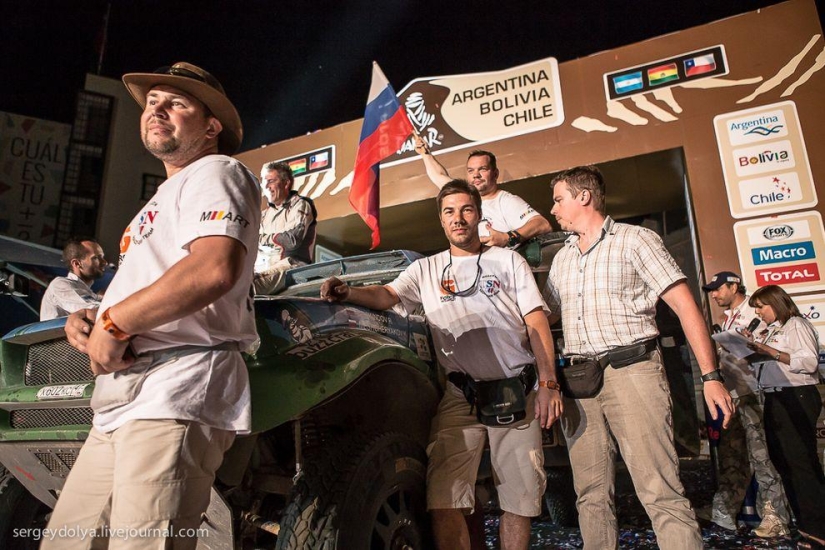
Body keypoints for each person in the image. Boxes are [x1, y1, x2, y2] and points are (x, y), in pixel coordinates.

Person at [47, 62, 261, 549]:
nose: (157, 110)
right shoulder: (157, 201)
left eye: (177, 103)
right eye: (152, 103)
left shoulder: (217, 170)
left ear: (211, 127)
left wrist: (117, 323)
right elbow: (158, 281)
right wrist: (97, 315)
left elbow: (212, 269)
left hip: (176, 388)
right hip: (124, 398)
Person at [320, 179, 563, 550]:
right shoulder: (427, 270)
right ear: (441, 220)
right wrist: (348, 291)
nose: (458, 218)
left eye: (466, 210)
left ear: (479, 215)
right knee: (444, 499)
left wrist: (548, 384)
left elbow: (536, 322)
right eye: (449, 212)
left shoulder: (507, 260)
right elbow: (387, 295)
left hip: (517, 392)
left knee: (518, 501)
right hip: (460, 396)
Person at [542, 165, 734, 550]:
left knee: (660, 491)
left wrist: (711, 377)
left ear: (584, 197)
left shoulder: (636, 240)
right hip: (580, 382)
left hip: (633, 371)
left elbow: (685, 307)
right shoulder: (562, 258)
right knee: (590, 496)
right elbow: (544, 318)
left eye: (559, 199)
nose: (553, 208)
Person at [702, 271, 789, 536]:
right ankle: (725, 512)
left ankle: (775, 516)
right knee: (732, 456)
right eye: (712, 290)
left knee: (761, 457)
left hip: (753, 393)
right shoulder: (727, 317)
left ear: (734, 285)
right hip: (732, 394)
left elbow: (772, 347)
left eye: (718, 289)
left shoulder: (756, 310)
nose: (714, 294)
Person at [745, 285, 825, 548]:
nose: (758, 312)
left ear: (776, 302)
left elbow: (809, 362)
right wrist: (750, 349)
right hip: (775, 397)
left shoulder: (796, 324)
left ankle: (818, 529)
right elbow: (766, 363)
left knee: (801, 462)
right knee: (784, 463)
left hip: (797, 396)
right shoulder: (770, 330)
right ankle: (805, 526)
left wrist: (770, 352)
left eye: (761, 306)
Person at [415, 136, 551, 248]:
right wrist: (425, 154)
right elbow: (439, 175)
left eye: (482, 169)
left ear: (495, 173)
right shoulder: (462, 197)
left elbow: (542, 224)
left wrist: (508, 237)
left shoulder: (505, 201)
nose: (476, 175)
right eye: (471, 171)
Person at [254, 161, 317, 294]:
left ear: (286, 183)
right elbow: (253, 242)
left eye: (271, 181)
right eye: (264, 182)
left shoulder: (300, 204)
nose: (266, 186)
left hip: (293, 266)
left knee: (249, 286)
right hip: (266, 268)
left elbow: (292, 240)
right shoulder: (264, 215)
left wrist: (264, 238)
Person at [40, 237, 106, 320]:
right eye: (96, 258)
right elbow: (96, 312)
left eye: (102, 257)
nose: (105, 262)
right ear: (77, 263)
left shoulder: (88, 293)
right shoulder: (60, 284)